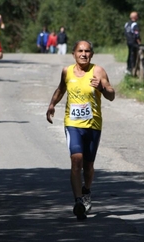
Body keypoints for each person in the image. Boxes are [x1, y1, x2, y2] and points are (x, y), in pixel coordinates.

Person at [46, 40, 115, 220]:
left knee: (88, 166)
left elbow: (111, 94)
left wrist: (101, 87)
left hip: (93, 125)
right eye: (80, 51)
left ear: (91, 54)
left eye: (87, 51)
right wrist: (52, 104)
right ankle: (78, 201)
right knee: (76, 160)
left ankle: (86, 191)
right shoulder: (67, 71)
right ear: (74, 54)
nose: (83, 54)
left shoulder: (98, 71)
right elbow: (61, 89)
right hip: (73, 123)